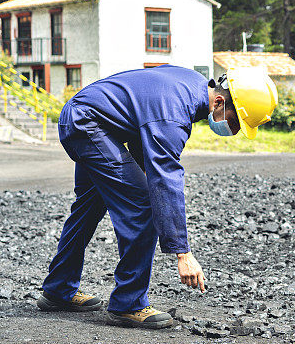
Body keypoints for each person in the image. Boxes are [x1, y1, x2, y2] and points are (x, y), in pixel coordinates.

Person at [37, 65, 278, 329]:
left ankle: (58, 290)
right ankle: (128, 304)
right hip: (89, 126)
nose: (233, 131)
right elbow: (165, 180)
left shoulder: (191, 84)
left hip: (86, 118)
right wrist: (182, 252)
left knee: (88, 207)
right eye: (235, 123)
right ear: (220, 101)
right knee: (143, 205)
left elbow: (142, 125)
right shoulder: (174, 116)